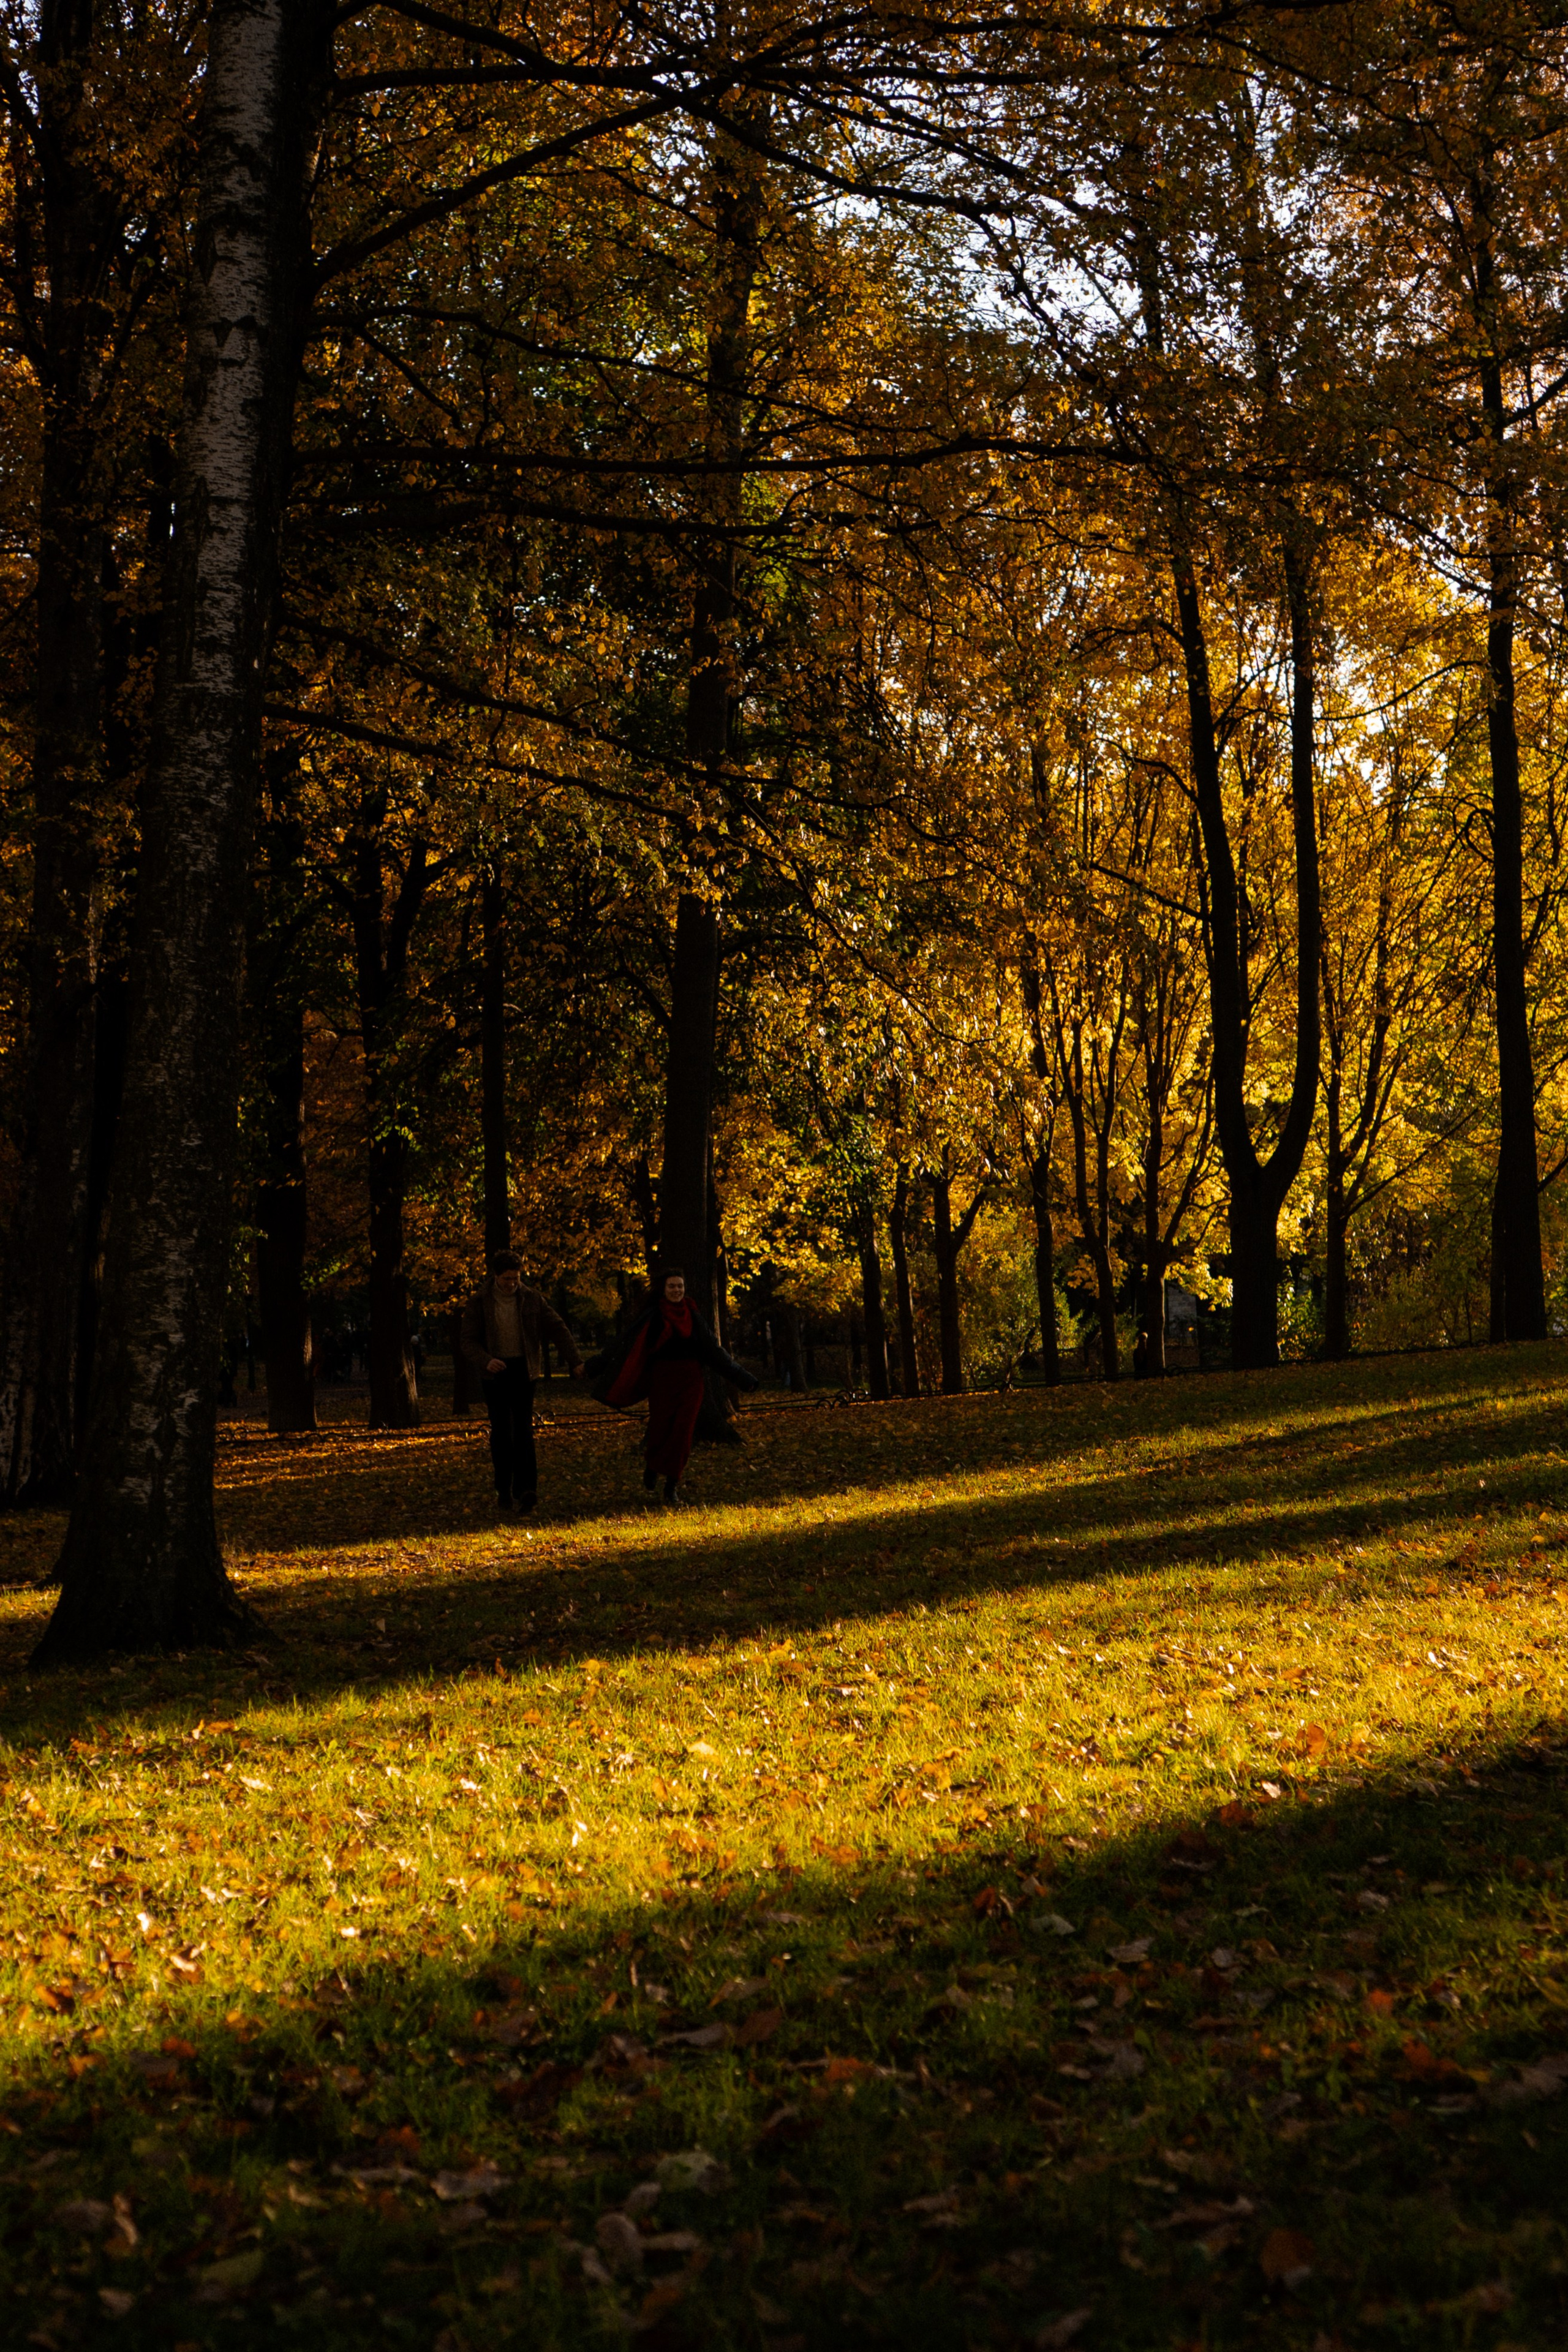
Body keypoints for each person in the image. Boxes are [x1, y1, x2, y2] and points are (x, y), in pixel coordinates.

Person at [604, 1265, 758, 1502]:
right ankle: (653, 1466)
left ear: (685, 1289)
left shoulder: (694, 1315)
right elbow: (624, 1345)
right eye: (672, 1286)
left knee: (683, 1433)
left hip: (691, 1381)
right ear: (663, 1289)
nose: (677, 1290)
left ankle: (671, 1485)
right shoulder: (653, 1316)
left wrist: (742, 1377)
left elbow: (713, 1351)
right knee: (660, 1429)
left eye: (680, 1286)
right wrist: (592, 1366)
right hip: (662, 1382)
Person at [458, 1251, 584, 1516]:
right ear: (495, 1276)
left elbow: (558, 1328)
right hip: (495, 1372)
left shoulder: (531, 1298)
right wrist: (485, 1360)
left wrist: (575, 1361)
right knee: (502, 1432)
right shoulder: (480, 1302)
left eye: (516, 1278)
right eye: (506, 1279)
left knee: (524, 1430)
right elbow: (468, 1341)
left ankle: (527, 1490)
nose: (511, 1284)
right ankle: (504, 1488)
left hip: (524, 1370)